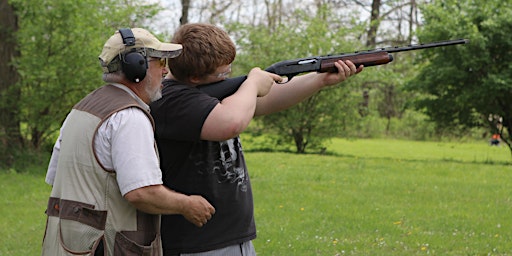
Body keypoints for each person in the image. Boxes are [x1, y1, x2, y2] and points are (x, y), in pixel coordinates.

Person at [150, 23, 363, 256]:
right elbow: (231, 122)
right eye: (223, 74)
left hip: (231, 238)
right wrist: (252, 83)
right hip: (198, 244)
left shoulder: (201, 92)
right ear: (194, 77)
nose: (227, 77)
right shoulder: (170, 99)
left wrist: (320, 79)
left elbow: (264, 102)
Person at [42, 28, 215, 256]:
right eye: (159, 61)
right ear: (137, 67)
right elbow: (141, 192)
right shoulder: (129, 117)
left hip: (67, 245)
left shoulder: (81, 109)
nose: (165, 70)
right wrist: (187, 205)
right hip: (105, 246)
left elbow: (56, 178)